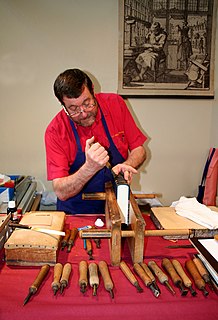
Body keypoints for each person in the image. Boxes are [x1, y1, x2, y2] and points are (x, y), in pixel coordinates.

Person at [45, 68, 147, 214]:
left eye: (87, 103)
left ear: (92, 90)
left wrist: (126, 165)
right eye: (73, 109)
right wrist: (89, 168)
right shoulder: (55, 131)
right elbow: (61, 191)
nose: (83, 113)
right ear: (62, 104)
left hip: (117, 206)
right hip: (76, 214)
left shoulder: (115, 104)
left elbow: (139, 149)